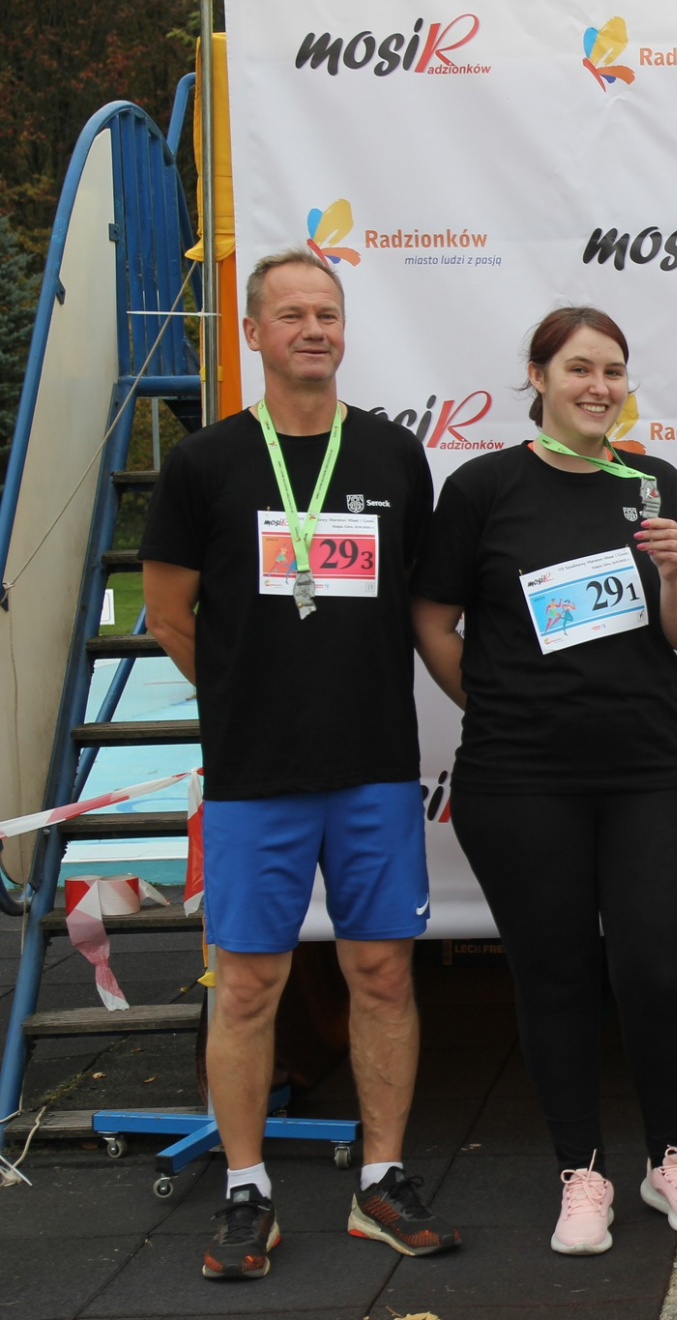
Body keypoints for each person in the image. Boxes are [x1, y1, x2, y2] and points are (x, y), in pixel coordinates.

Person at [141, 248, 459, 1280]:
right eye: (291, 315)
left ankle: (383, 1181)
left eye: (327, 312)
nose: (313, 329)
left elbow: (422, 603)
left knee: (383, 973)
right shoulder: (206, 464)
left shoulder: (394, 455)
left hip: (374, 767)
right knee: (245, 986)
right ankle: (247, 1192)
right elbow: (168, 614)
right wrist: (250, 698)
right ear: (253, 333)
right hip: (255, 776)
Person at [409, 307, 677, 1253]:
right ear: (540, 377)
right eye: (580, 368)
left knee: (660, 969)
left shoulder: (654, 482)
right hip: (520, 779)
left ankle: (671, 1158)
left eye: (614, 370)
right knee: (554, 974)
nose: (599, 386)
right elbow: (431, 618)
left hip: (649, 771)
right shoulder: (483, 486)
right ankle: (581, 1171)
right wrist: (494, 703)